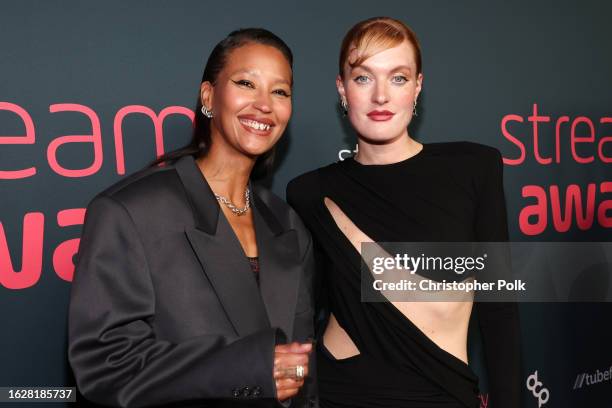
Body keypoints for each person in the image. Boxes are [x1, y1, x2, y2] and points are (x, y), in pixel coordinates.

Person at [68, 28, 317, 408]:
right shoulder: (130, 211)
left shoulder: (288, 224)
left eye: (280, 91)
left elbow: (301, 370)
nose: (264, 104)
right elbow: (106, 364)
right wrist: (246, 371)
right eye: (246, 83)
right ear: (208, 97)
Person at [287, 17, 521, 408]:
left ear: (418, 86)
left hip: (440, 394)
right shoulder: (309, 192)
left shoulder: (474, 168)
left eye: (398, 77)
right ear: (342, 89)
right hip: (340, 394)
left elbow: (499, 311)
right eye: (363, 78)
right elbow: (308, 309)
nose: (381, 96)